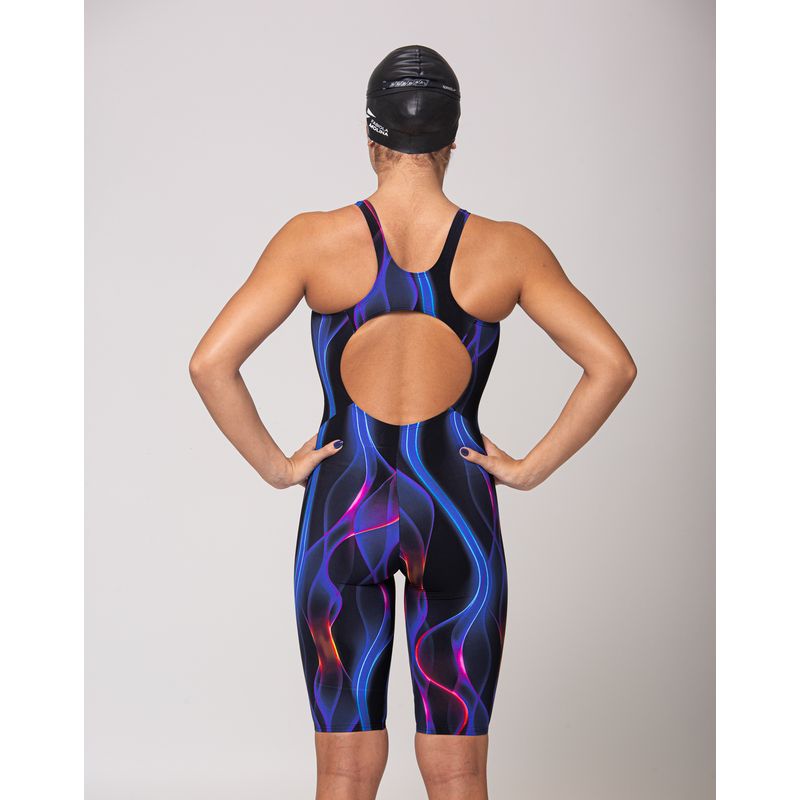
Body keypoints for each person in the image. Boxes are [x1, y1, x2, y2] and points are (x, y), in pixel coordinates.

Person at [190, 44, 636, 800]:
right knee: (459, 772)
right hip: (457, 512)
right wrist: (527, 468)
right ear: (452, 140)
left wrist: (279, 467)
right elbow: (612, 365)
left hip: (344, 511)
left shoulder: (312, 240)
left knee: (342, 770)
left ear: (371, 138)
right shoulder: (507, 249)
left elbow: (210, 363)